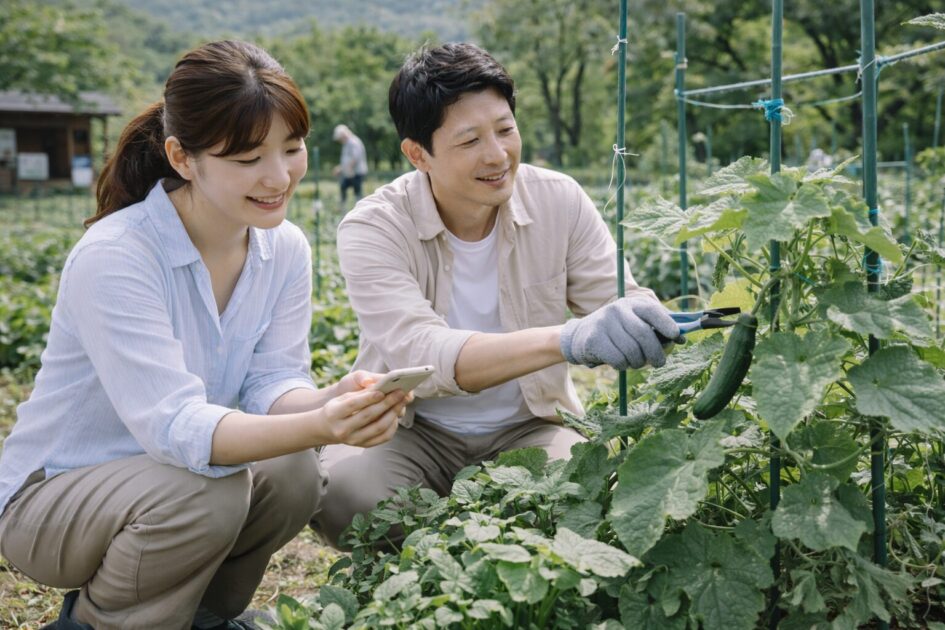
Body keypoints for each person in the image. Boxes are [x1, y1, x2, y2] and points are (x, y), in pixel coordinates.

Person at [0, 40, 407, 630]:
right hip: (55, 497)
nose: (278, 177)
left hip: (168, 482)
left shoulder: (283, 247)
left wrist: (329, 400)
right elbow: (174, 426)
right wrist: (322, 427)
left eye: (292, 149)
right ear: (182, 158)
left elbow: (272, 379)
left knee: (293, 471)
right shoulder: (118, 254)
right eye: (247, 159)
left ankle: (201, 619)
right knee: (210, 491)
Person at [311, 43, 682, 547]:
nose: (497, 154)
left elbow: (617, 297)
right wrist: (567, 340)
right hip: (410, 428)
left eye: (505, 130)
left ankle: (468, 544)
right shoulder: (374, 227)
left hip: (529, 426)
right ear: (418, 154)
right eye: (469, 141)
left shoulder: (558, 199)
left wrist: (643, 317)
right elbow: (421, 349)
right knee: (347, 497)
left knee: (577, 494)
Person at [331, 124, 368, 206]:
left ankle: (359, 210)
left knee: (357, 194)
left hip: (356, 173)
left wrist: (346, 168)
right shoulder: (347, 143)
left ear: (343, 135)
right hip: (350, 172)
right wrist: (341, 168)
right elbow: (347, 160)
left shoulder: (353, 142)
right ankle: (343, 208)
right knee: (343, 187)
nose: (340, 140)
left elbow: (355, 157)